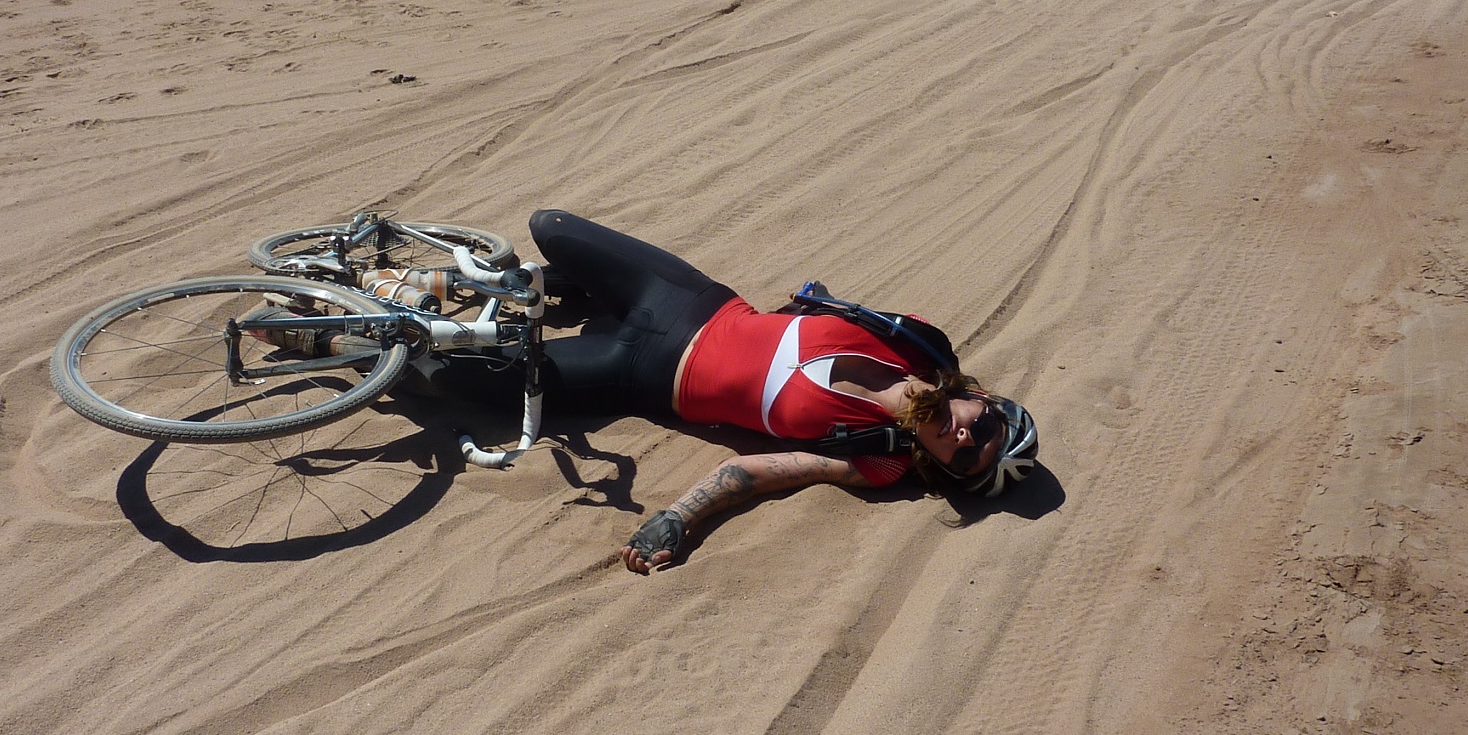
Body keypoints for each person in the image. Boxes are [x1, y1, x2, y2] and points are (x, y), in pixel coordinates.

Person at [416, 210, 1038, 574]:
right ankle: (415, 282)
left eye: (964, 459)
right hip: (690, 301)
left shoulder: (878, 458)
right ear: (982, 401)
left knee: (453, 377)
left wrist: (678, 519)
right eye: (981, 430)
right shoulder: (920, 345)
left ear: (940, 467)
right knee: (548, 227)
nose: (963, 438)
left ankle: (347, 336)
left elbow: (757, 471)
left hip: (640, 371)